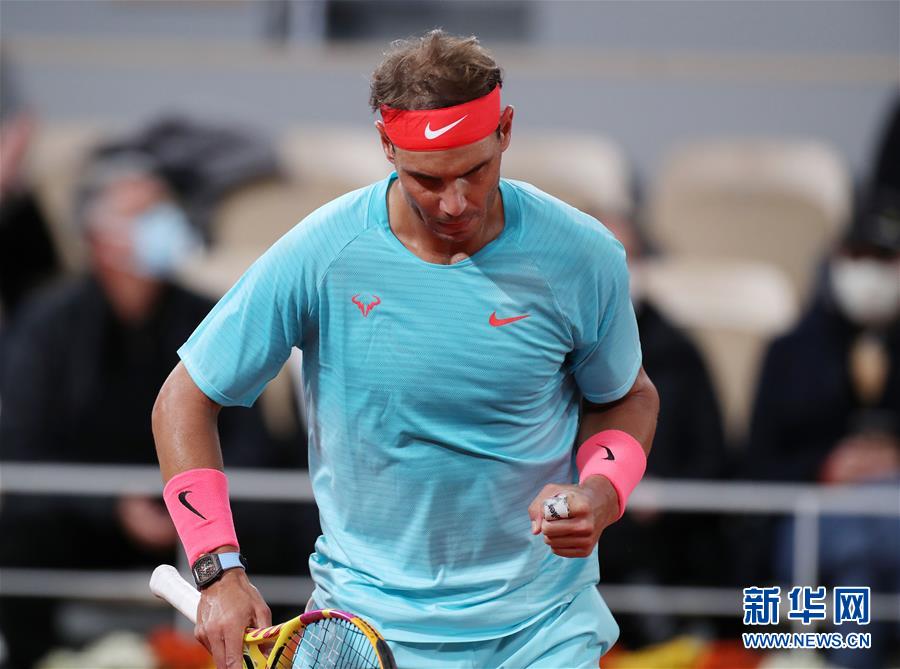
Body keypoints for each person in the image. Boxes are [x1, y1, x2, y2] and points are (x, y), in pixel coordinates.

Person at [153, 30, 659, 669]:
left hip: (544, 631)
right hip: (364, 631)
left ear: (505, 130)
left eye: (475, 171)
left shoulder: (584, 256)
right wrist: (217, 568)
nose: (455, 203)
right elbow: (182, 400)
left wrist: (603, 492)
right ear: (387, 146)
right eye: (428, 179)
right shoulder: (323, 251)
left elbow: (627, 397)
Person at [0, 149, 306, 669]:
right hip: (87, 524)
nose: (166, 223)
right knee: (20, 534)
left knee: (288, 520)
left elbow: (251, 441)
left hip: (204, 526)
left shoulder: (210, 314)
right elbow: (25, 449)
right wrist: (114, 508)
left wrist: (193, 518)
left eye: (166, 209)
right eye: (144, 214)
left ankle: (274, 656)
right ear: (99, 238)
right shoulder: (47, 326)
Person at [746, 188, 900, 669]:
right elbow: (756, 467)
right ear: (834, 259)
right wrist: (826, 467)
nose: (870, 273)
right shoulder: (789, 352)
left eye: (885, 259)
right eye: (858, 256)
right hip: (808, 528)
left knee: (861, 575)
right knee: (856, 557)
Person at [598, 212, 729, 648]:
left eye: (625, 256)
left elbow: (713, 459)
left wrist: (662, 491)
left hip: (664, 541)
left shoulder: (680, 354)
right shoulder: (546, 347)